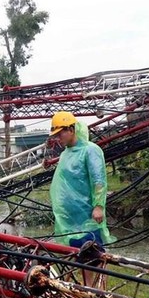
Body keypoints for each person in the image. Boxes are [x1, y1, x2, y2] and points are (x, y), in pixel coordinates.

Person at [48, 111, 112, 287]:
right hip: (70, 219)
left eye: (60, 134)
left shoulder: (90, 150)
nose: (58, 138)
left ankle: (94, 293)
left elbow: (99, 180)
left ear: (71, 129)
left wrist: (99, 206)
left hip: (87, 215)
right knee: (77, 255)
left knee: (92, 255)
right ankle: (84, 290)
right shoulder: (65, 154)